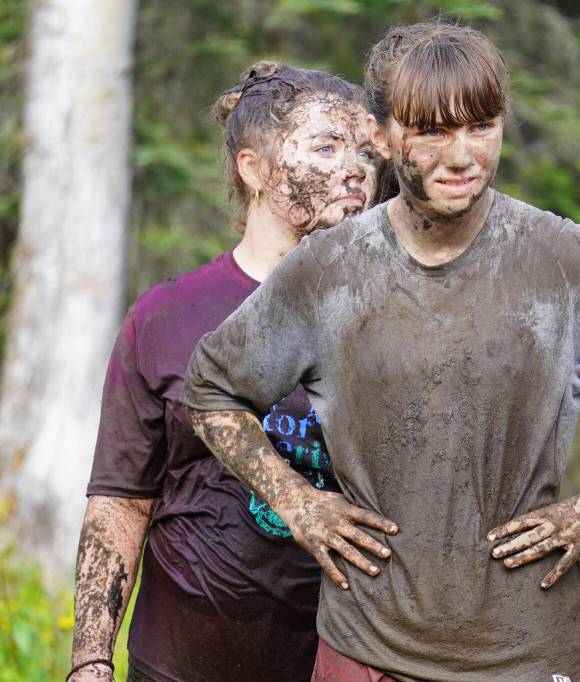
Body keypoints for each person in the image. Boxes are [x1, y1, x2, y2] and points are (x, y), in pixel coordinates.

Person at [183, 20, 580, 682]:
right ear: (382, 137)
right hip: (367, 653)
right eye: (433, 131)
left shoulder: (560, 259)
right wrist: (297, 502)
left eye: (481, 125)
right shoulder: (331, 269)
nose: (463, 153)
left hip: (525, 656)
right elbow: (212, 393)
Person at [68, 62, 386, 682]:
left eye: (367, 154)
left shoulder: (391, 322)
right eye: (326, 146)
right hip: (176, 664)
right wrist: (90, 660)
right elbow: (120, 503)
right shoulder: (167, 316)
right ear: (255, 169)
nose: (355, 169)